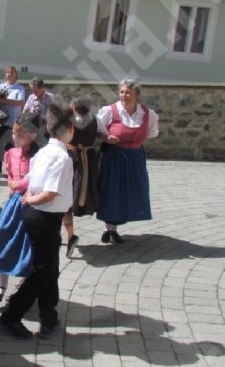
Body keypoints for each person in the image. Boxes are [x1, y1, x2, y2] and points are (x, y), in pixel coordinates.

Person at [0, 104, 74, 340]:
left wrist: (27, 193)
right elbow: (50, 193)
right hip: (44, 217)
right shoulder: (61, 157)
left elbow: (30, 176)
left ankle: (49, 317)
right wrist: (31, 199)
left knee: (50, 269)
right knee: (42, 271)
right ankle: (12, 314)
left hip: (37, 216)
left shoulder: (43, 153)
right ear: (70, 129)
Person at [0, 111, 40, 303]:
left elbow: (38, 181)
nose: (15, 137)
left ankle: (24, 284)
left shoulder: (38, 157)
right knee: (3, 241)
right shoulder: (11, 153)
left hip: (31, 205)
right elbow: (10, 177)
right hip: (14, 204)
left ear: (33, 136)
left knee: (27, 247)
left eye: (20, 134)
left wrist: (24, 188)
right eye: (14, 133)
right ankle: (1, 283)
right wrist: (11, 187)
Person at [96, 79, 159, 244]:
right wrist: (106, 137)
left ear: (136, 94)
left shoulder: (147, 113)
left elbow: (152, 132)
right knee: (112, 190)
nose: (124, 95)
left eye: (128, 92)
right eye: (122, 92)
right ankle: (108, 229)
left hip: (135, 157)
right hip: (114, 156)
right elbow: (96, 130)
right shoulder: (110, 111)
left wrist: (137, 139)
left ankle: (115, 227)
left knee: (129, 191)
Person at [63, 97, 99, 258]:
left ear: (74, 108)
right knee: (77, 194)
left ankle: (70, 235)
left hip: (70, 159)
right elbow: (105, 134)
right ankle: (69, 235)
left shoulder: (68, 122)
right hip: (87, 161)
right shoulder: (95, 120)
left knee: (64, 198)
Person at [0, 65, 25, 173]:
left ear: (16, 74)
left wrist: (5, 101)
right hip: (0, 119)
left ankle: (11, 168)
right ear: (5, 74)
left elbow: (20, 102)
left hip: (12, 121)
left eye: (12, 72)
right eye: (8, 72)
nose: (10, 74)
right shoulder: (1, 86)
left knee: (10, 145)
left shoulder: (20, 88)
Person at [22, 78, 55, 146]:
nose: (34, 92)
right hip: (33, 128)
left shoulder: (50, 97)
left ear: (42, 88)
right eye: (32, 90)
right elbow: (25, 111)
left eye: (36, 90)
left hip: (45, 128)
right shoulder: (31, 97)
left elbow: (55, 112)